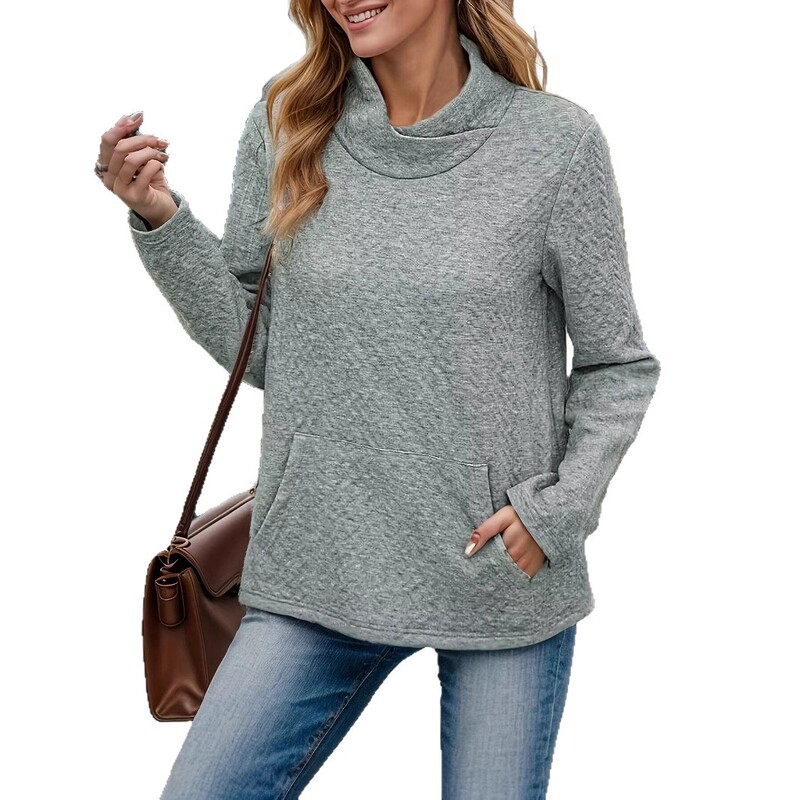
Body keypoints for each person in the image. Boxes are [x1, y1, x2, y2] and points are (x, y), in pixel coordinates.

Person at [96, 1, 661, 797]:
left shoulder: (553, 143)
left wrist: (555, 514)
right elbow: (263, 350)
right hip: (319, 563)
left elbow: (617, 365)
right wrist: (160, 219)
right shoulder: (287, 121)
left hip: (496, 578)